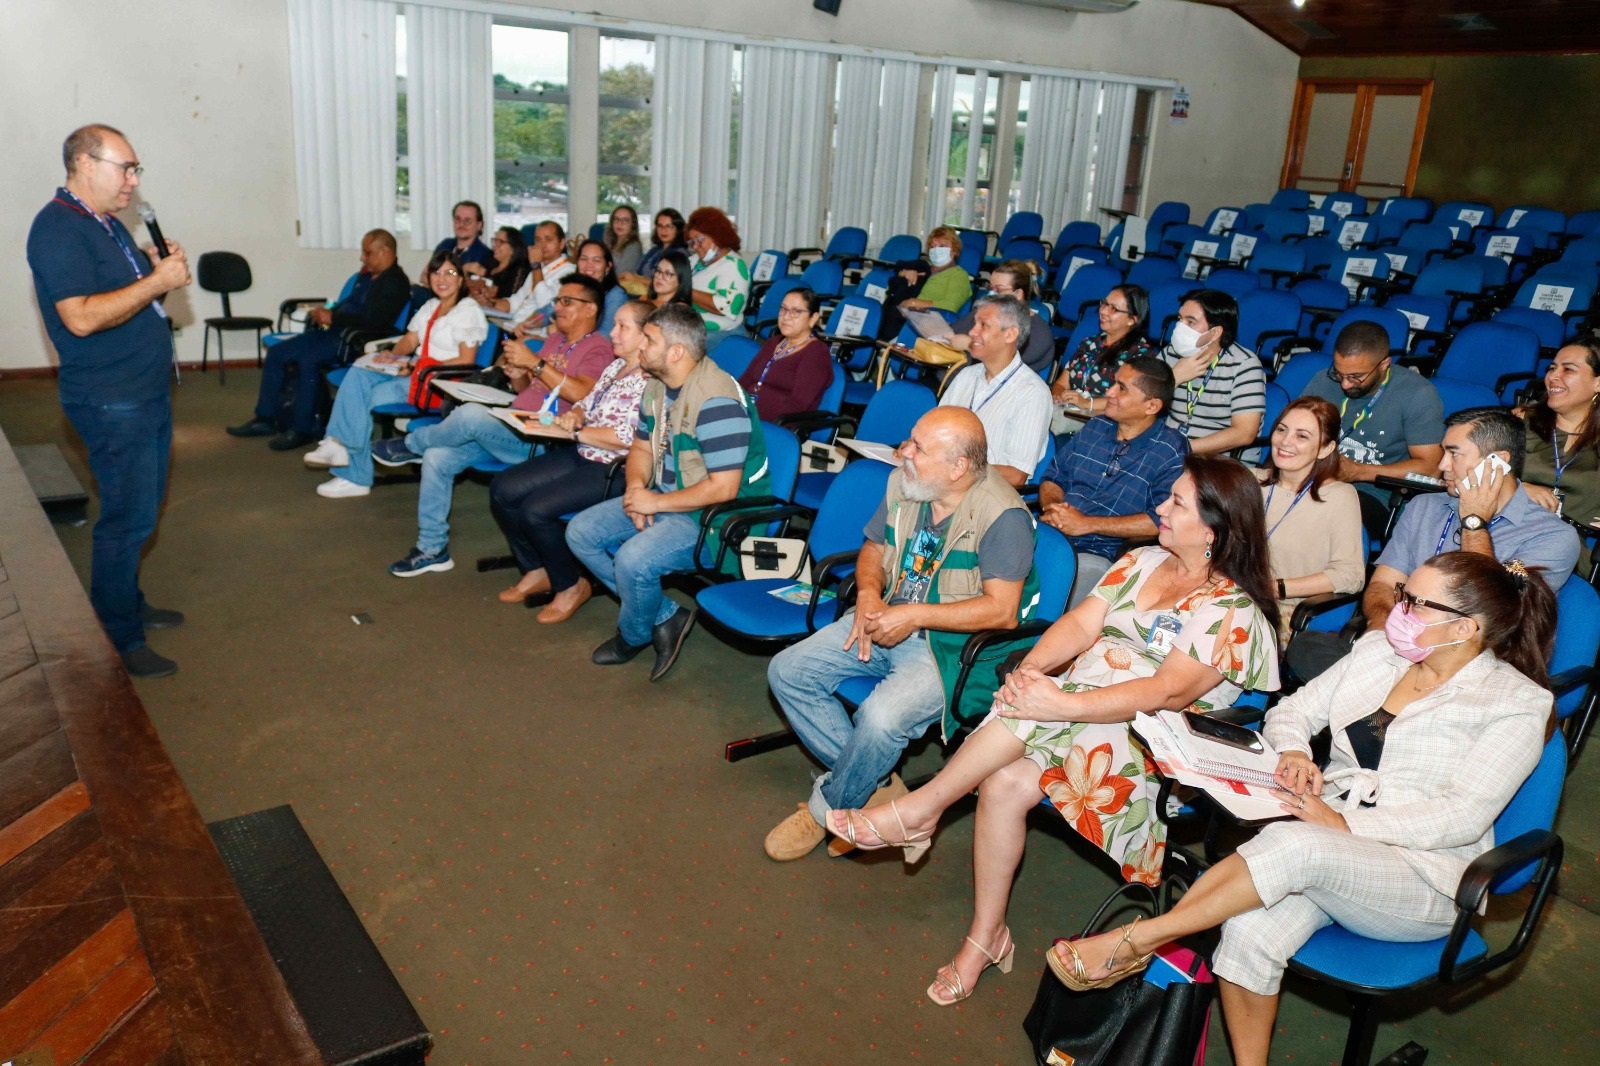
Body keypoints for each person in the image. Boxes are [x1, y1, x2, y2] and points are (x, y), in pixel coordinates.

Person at [1046, 551, 1554, 1066]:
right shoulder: (1378, 650)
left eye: (1416, 603)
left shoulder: (1515, 703)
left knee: (1295, 843)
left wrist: (1344, 821)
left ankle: (1138, 941)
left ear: (1465, 627)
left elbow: (1461, 815)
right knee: (1246, 933)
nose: (1397, 608)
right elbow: (1293, 709)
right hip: (1326, 849)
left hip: (1426, 877)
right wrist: (1293, 751)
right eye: (1403, 594)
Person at [824, 457, 1281, 1005]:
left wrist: (1061, 700)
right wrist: (1031, 670)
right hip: (1077, 706)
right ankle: (986, 935)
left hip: (1151, 741)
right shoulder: (1141, 561)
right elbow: (1079, 625)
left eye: (1176, 503)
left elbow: (1167, 693)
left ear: (1212, 530)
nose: (1160, 508)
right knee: (1004, 777)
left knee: (1033, 718)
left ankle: (922, 810)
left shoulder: (1231, 610)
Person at [763, 408, 1039, 863]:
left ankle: (826, 811)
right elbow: (874, 547)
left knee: (881, 718)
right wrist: (869, 593)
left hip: (950, 647)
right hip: (888, 614)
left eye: (918, 448)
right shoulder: (907, 484)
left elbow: (1003, 612)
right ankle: (875, 784)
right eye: (910, 440)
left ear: (958, 467)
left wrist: (913, 616)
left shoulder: (1003, 516)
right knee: (787, 670)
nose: (903, 452)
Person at [26, 124, 193, 678]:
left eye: (136, 169)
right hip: (111, 399)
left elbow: (119, 293)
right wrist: (157, 280)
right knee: (126, 520)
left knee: (140, 511)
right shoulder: (57, 228)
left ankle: (128, 603)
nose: (133, 180)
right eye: (126, 168)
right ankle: (119, 636)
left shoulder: (104, 222)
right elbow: (80, 317)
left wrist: (149, 264)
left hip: (140, 391)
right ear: (84, 164)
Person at [1285, 406, 1579, 683]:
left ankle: (1373, 696)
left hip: (1473, 667)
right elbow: (1383, 584)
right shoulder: (1424, 507)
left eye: (1454, 453)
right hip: (1396, 653)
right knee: (1308, 647)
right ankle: (1378, 693)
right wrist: (1386, 634)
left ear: (1497, 462)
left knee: (1343, 682)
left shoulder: (1552, 536)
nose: (1441, 465)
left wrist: (1474, 522)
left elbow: (1490, 614)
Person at [566, 303, 771, 681]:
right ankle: (665, 615)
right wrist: (635, 491)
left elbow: (724, 488)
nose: (640, 345)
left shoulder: (717, 401)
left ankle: (633, 635)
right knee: (581, 532)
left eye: (649, 339)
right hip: (670, 496)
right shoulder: (658, 384)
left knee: (632, 560)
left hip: (716, 520)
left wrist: (655, 502)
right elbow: (642, 448)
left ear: (676, 352)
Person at [370, 275, 616, 575]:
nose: (557, 307)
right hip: (512, 425)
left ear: (590, 308)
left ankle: (411, 445)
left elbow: (584, 393)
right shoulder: (556, 341)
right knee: (437, 457)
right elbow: (530, 390)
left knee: (471, 415)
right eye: (557, 300)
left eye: (566, 301)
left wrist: (535, 363)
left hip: (542, 441)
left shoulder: (599, 349)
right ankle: (432, 549)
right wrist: (519, 375)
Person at [490, 299, 652, 620]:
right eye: (614, 325)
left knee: (535, 511)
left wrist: (577, 431)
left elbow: (629, 438)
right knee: (503, 489)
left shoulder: (652, 380)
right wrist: (575, 414)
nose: (613, 333)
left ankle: (570, 585)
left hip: (616, 468)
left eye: (622, 327)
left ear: (646, 336)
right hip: (582, 451)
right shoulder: (616, 366)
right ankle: (537, 568)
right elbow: (586, 402)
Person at [304, 249, 487, 498]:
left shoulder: (467, 310)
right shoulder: (432, 306)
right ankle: (337, 445)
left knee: (362, 398)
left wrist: (415, 367)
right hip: (416, 373)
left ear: (461, 279)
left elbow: (466, 360)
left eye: (450, 273)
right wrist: (392, 354)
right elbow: (410, 340)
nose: (442, 279)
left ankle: (354, 473)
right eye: (436, 273)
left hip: (438, 384)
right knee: (358, 372)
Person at [226, 229, 410, 450]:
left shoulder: (395, 282)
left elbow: (375, 321)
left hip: (356, 342)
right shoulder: (366, 276)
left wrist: (334, 317)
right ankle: (265, 418)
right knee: (277, 353)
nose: (362, 257)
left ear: (385, 252)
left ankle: (303, 429)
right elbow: (348, 306)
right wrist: (327, 314)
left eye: (367, 252)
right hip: (334, 333)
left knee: (308, 360)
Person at [1038, 357, 1189, 604]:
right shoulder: (1096, 426)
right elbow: (1054, 476)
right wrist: (1054, 508)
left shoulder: (1170, 450)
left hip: (1100, 554)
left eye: (1122, 388)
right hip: (1050, 533)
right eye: (1114, 383)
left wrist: (1086, 524)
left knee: (1055, 605)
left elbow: (1161, 520)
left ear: (1151, 406)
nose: (1109, 392)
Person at [1296, 320, 1444, 530]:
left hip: (1375, 493)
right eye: (1339, 373)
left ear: (1384, 365)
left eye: (1356, 377)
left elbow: (1431, 469)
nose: (1345, 384)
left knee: (1318, 513)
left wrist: (1358, 472)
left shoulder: (1418, 394)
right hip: (1313, 478)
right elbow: (1294, 430)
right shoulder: (1323, 380)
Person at [1257, 397, 1366, 642]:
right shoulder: (1250, 481)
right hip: (1228, 595)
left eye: (1302, 436)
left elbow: (1350, 576)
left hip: (1281, 612)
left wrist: (1276, 587)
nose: (1285, 441)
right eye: (1281, 430)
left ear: (1325, 449)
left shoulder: (1339, 496)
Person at [938, 295, 1053, 487]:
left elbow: (1016, 475)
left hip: (986, 492)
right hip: (946, 479)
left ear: (1010, 335)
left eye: (983, 325)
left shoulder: (1032, 393)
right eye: (974, 324)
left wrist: (956, 468)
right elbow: (936, 429)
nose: (972, 332)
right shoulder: (967, 375)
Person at [1521, 339, 1600, 573]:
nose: (1553, 376)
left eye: (1568, 369)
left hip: (1570, 552)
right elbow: (1471, 472)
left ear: (1598, 383)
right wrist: (1515, 487)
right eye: (1552, 368)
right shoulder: (1521, 423)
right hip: (1510, 528)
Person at [1163, 289, 1266, 455]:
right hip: (1167, 451)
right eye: (1180, 319)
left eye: (1191, 322)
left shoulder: (1244, 364)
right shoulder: (1171, 352)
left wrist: (1183, 449)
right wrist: (1174, 378)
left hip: (1214, 460)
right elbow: (1139, 402)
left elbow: (1244, 433)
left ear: (1215, 332)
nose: (1180, 327)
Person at [1053, 284, 1156, 412]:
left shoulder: (1141, 355)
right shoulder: (1089, 343)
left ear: (1132, 320)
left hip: (1105, 418)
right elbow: (1061, 383)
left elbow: (1130, 400)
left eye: (1114, 309)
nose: (1103, 311)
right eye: (1104, 304)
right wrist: (1059, 396)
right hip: (1070, 411)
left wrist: (1087, 403)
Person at [737, 287, 833, 421]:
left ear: (813, 318)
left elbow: (797, 407)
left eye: (796, 312)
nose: (786, 317)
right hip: (746, 413)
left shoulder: (816, 354)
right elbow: (745, 380)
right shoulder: (773, 342)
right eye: (783, 309)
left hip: (775, 424)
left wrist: (750, 414)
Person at [943, 261, 1055, 376]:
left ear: (1017, 295)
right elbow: (952, 332)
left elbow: (1007, 361)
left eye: (999, 290)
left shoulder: (1039, 333)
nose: (992, 294)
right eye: (990, 288)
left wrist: (970, 344)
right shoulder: (983, 313)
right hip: (952, 373)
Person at [877, 226, 974, 341]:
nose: (937, 250)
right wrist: (904, 273)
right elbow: (896, 271)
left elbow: (950, 306)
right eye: (933, 246)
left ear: (955, 250)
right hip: (897, 317)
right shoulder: (923, 267)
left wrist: (916, 303)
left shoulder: (959, 275)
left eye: (942, 246)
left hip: (924, 326)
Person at [684, 207, 750, 350]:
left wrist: (684, 289)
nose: (696, 246)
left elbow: (726, 307)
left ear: (717, 235)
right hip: (693, 328)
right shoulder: (696, 260)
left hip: (721, 334)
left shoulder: (733, 265)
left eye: (699, 240)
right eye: (692, 242)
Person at [412, 200, 491, 309]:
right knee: (411, 291)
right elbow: (424, 277)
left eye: (467, 221)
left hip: (458, 307)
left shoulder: (485, 254)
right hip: (433, 298)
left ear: (479, 225)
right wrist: (463, 270)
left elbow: (467, 290)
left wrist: (438, 278)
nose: (461, 224)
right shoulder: (446, 245)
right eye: (457, 219)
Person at [507, 220, 575, 334]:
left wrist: (536, 265)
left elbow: (545, 306)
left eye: (548, 239)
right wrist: (491, 304)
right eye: (538, 240)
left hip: (533, 334)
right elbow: (515, 302)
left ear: (562, 244)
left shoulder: (569, 272)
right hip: (513, 326)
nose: (542, 245)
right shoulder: (538, 269)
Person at [619, 208, 688, 294]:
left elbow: (669, 284)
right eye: (660, 226)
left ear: (678, 230)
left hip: (658, 295)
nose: (663, 230)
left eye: (669, 226)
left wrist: (636, 279)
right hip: (641, 290)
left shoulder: (680, 254)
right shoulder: (655, 250)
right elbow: (638, 272)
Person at [470, 226, 532, 312]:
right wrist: (466, 269)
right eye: (495, 241)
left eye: (500, 242)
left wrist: (491, 293)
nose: (495, 245)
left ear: (513, 248)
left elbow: (513, 301)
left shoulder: (520, 271)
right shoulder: (489, 261)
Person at [575, 239, 628, 335]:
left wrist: (568, 332)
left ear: (608, 266)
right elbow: (548, 312)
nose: (589, 265)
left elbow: (606, 336)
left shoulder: (615, 295)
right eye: (584, 259)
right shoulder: (573, 289)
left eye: (596, 260)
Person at [604, 204, 644, 276]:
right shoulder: (609, 242)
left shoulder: (633, 247)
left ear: (633, 224)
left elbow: (621, 276)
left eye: (625, 220)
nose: (620, 223)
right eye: (616, 219)